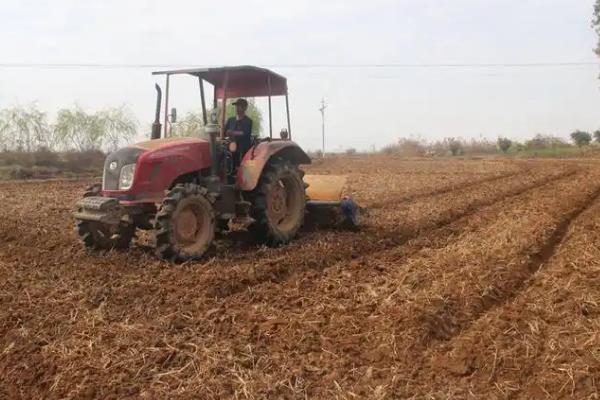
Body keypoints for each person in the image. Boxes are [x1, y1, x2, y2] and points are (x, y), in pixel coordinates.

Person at [224, 98, 253, 168]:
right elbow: (224, 132)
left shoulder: (248, 121)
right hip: (230, 147)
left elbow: (246, 133)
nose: (236, 108)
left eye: (239, 106)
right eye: (236, 106)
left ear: (245, 108)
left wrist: (232, 132)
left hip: (243, 149)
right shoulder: (230, 120)